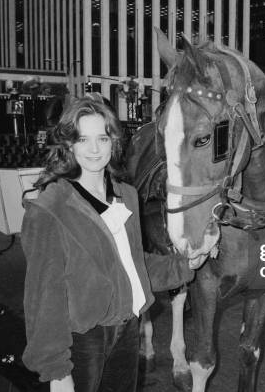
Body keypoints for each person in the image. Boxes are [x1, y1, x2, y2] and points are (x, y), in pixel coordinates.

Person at [20, 96, 207, 392]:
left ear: (113, 142)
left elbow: (136, 265)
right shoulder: (51, 208)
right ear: (68, 144)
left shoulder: (126, 195)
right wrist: (56, 371)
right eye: (83, 139)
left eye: (102, 138)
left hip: (127, 330)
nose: (94, 149)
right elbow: (44, 298)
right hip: (83, 340)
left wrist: (186, 264)